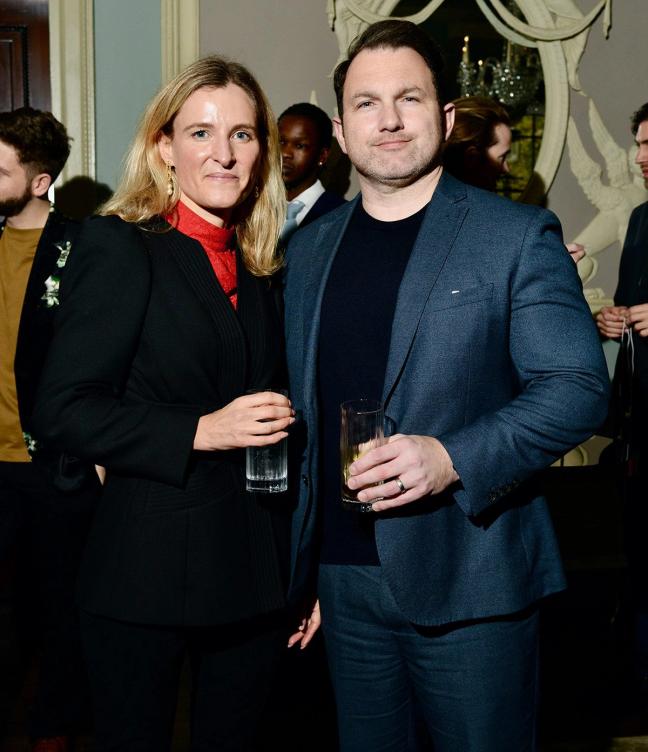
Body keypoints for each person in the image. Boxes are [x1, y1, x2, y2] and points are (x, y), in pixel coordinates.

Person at [283, 19, 609, 752]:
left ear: (447, 115)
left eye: (410, 98)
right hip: (342, 585)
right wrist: (304, 568)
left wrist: (451, 457)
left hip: (472, 580)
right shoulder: (306, 251)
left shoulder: (514, 235)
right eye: (366, 103)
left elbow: (577, 387)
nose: (389, 120)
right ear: (341, 130)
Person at [33, 56, 296, 752]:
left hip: (253, 573)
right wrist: (200, 431)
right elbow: (63, 409)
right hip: (145, 576)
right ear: (164, 148)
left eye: (242, 135)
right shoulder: (122, 246)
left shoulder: (263, 266)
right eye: (201, 133)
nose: (223, 154)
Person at [0, 107, 98, 752]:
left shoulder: (82, 249)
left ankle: (55, 726)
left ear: (39, 182)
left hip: (50, 465)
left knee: (62, 608)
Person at [596, 101, 648, 695]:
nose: (639, 157)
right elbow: (625, 303)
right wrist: (611, 319)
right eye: (638, 143)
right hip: (637, 423)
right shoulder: (639, 220)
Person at [443, 94, 585, 263]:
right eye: (502, 157)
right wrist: (552, 269)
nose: (506, 169)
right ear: (471, 157)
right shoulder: (489, 227)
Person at [278, 102, 346, 242]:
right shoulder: (252, 209)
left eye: (300, 146)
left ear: (322, 156)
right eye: (281, 142)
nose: (285, 153)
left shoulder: (342, 215)